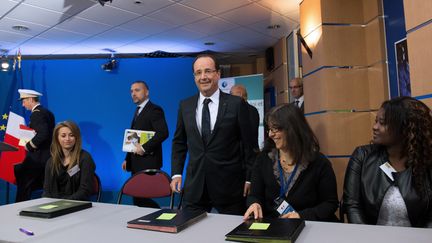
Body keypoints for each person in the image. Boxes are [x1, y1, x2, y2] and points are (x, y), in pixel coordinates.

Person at [171, 54, 255, 215]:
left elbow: (249, 145)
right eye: (198, 72)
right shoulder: (185, 105)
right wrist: (176, 173)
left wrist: (249, 178)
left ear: (218, 74)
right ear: (194, 76)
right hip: (195, 187)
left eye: (208, 71)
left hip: (230, 188)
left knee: (231, 234)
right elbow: (179, 142)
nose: (203, 77)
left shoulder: (236, 104)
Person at [343, 96, 432, 227]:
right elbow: (352, 206)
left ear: (405, 129)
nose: (375, 127)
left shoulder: (426, 161)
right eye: (376, 121)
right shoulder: (362, 156)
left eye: (382, 123)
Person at [244, 103, 339, 221]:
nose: (270, 134)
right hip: (274, 227)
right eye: (269, 129)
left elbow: (330, 204)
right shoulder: (263, 159)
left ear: (293, 129)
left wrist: (301, 216)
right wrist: (254, 204)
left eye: (276, 129)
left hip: (308, 226)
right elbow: (254, 195)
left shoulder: (319, 163)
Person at [121, 80, 169, 208]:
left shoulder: (154, 110)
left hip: (148, 162)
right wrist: (127, 158)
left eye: (137, 90)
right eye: (131, 91)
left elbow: (163, 133)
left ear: (147, 92)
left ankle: (157, 214)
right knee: (137, 199)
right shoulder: (138, 111)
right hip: (136, 162)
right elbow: (134, 137)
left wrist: (144, 147)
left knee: (141, 198)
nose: (133, 94)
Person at [14, 89, 55, 202]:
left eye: (24, 101)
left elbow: (43, 134)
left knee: (24, 187)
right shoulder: (47, 112)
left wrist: (29, 146)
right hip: (47, 157)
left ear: (31, 99)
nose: (23, 105)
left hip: (37, 159)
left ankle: (18, 210)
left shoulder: (36, 114)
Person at [43, 121, 95, 200]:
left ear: (76, 137)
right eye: (63, 136)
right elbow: (46, 191)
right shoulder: (51, 162)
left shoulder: (85, 158)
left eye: (71, 135)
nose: (67, 139)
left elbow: (85, 190)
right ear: (57, 138)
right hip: (55, 205)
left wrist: (65, 203)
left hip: (77, 204)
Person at [230, 84, 260, 149]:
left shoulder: (239, 110)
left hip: (242, 154)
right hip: (252, 151)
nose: (230, 97)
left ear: (239, 94)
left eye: (231, 94)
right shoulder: (253, 110)